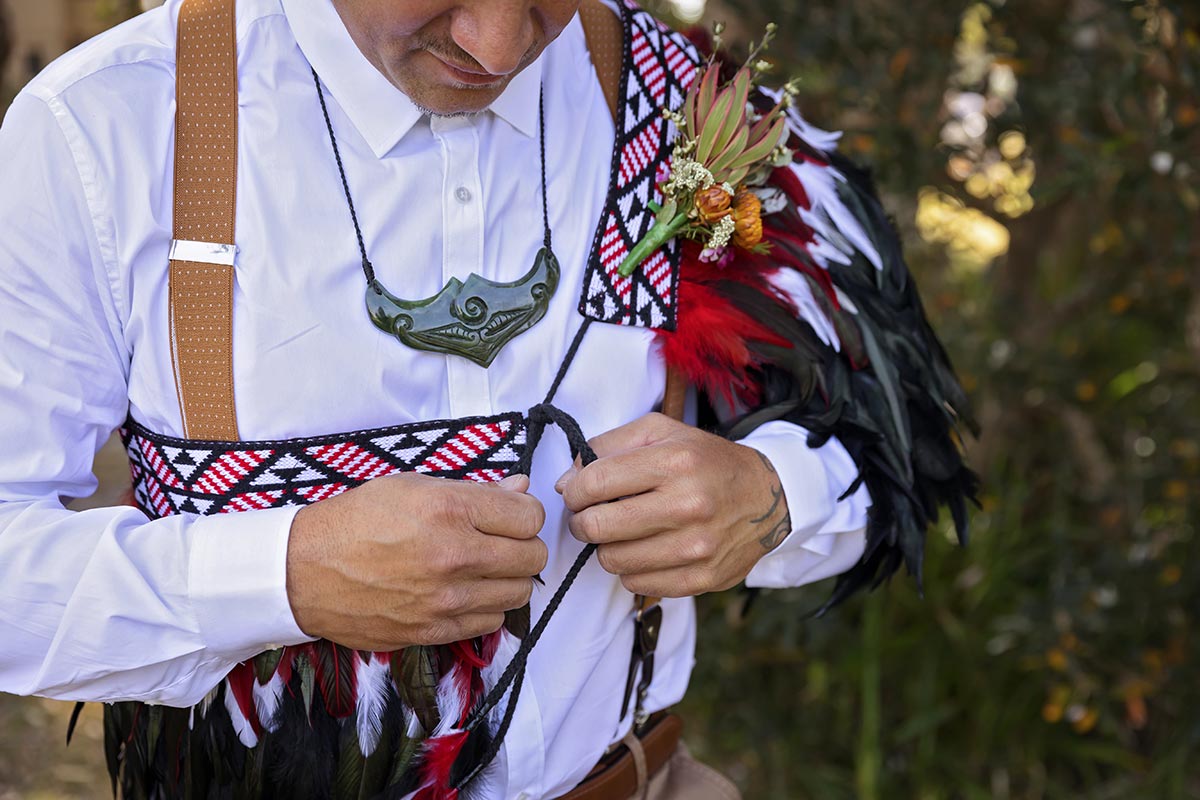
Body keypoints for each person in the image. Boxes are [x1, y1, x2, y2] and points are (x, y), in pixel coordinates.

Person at [0, 0, 975, 798]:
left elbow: (899, 445)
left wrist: (773, 497)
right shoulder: (104, 131)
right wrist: (283, 574)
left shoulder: (694, 110)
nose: (498, 44)